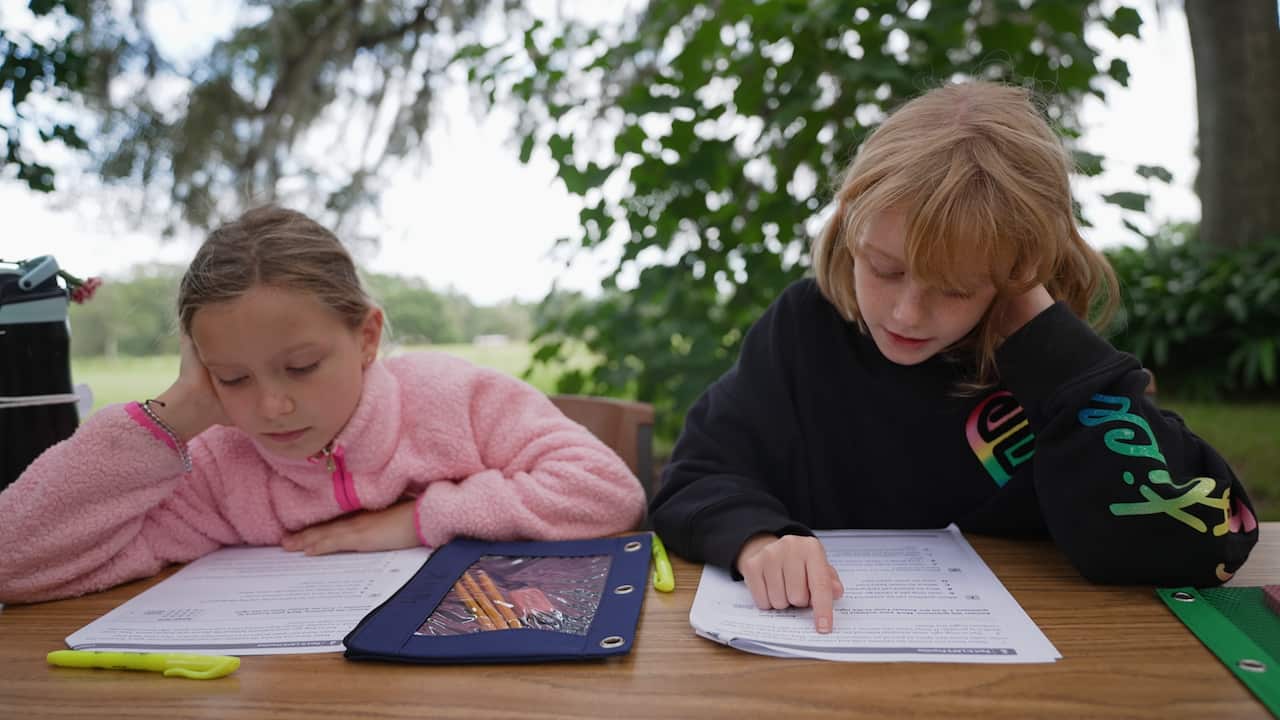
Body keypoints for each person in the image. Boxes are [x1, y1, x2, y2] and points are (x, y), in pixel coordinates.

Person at [649, 81, 1259, 634]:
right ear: (847, 231)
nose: (907, 314)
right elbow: (696, 476)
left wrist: (1045, 340)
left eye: (957, 287)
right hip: (823, 654)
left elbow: (1206, 536)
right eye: (883, 269)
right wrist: (758, 539)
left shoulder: (1054, 367)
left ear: (1021, 275)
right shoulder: (805, 330)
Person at [0, 206, 646, 604]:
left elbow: (606, 491)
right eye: (232, 377)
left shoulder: (458, 400)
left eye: (302, 367)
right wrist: (175, 416)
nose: (272, 407)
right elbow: (15, 562)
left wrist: (418, 521)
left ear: (366, 337)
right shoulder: (217, 467)